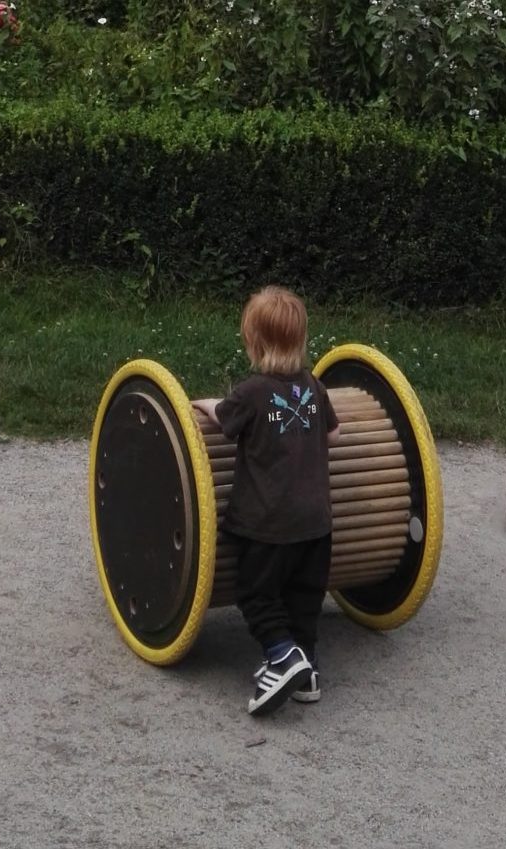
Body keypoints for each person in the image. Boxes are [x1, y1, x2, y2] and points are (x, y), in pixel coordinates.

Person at [192, 286, 340, 716]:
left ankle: (282, 655)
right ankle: (307, 673)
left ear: (253, 343)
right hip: (317, 523)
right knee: (304, 597)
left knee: (257, 594)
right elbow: (335, 434)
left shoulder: (252, 392)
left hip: (266, 524)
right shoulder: (314, 387)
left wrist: (204, 403)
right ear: (301, 339)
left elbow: (225, 420)